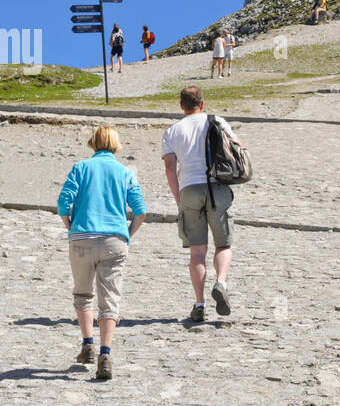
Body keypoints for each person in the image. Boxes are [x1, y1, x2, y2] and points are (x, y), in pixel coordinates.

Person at [57, 125, 146, 380]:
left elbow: (63, 202)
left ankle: (87, 344)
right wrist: (127, 233)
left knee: (83, 293)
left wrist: (70, 225)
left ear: (93, 142)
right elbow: (140, 210)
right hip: (114, 240)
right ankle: (105, 354)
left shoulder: (81, 168)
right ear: (116, 145)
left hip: (82, 238)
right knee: (110, 299)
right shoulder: (124, 172)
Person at [162, 85, 241, 323]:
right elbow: (238, 147)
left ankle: (199, 304)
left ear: (181, 106)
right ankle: (221, 282)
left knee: (197, 252)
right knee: (223, 244)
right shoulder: (217, 121)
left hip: (189, 189)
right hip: (217, 187)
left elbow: (169, 168)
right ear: (202, 104)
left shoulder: (172, 131)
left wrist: (178, 197)